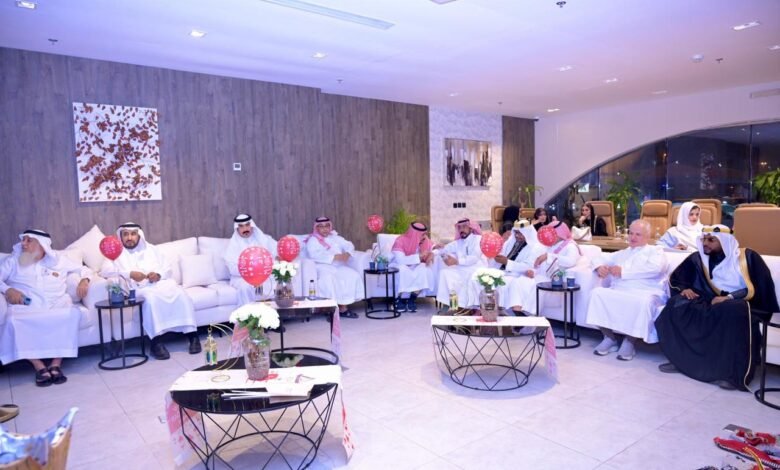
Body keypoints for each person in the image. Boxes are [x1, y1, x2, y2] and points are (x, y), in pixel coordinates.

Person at [655, 225, 778, 390]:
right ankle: (682, 361)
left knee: (731, 310)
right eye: (704, 239)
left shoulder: (748, 257)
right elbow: (678, 279)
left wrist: (729, 298)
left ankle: (730, 375)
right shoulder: (698, 258)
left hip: (742, 303)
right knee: (677, 304)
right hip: (707, 300)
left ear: (725, 241)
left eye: (711, 240)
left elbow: (760, 287)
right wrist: (685, 289)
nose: (706, 243)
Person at [0, 230, 92, 386]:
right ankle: (39, 366)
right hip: (26, 306)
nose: (23, 243)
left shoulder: (59, 260)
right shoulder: (14, 261)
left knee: (72, 314)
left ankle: (56, 364)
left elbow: (84, 269)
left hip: (56, 304)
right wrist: (8, 290)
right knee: (12, 321)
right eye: (23, 240)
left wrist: (84, 281)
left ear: (42, 245)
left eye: (29, 240)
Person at [101, 223, 200, 360]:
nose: (129, 238)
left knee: (181, 294)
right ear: (121, 236)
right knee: (150, 299)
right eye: (126, 234)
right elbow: (105, 271)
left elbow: (167, 268)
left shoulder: (152, 249)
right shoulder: (116, 253)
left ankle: (193, 336)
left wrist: (158, 275)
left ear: (139, 235)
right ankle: (156, 343)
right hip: (138, 288)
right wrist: (130, 273)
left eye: (133, 234)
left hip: (160, 283)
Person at [585, 219, 669, 361]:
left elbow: (656, 269)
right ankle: (609, 338)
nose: (632, 237)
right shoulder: (623, 253)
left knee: (641, 302)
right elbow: (598, 258)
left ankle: (629, 341)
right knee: (596, 294)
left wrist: (623, 271)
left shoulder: (655, 251)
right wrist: (598, 267)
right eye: (631, 233)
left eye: (638, 234)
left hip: (646, 290)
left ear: (647, 236)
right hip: (621, 289)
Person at [475, 219, 547, 314]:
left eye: (520, 233)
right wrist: (495, 258)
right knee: (481, 277)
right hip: (504, 272)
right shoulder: (510, 242)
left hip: (518, 275)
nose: (517, 236)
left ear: (527, 233)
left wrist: (507, 262)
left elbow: (528, 266)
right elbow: (500, 256)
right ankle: (482, 309)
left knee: (502, 282)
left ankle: (505, 312)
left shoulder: (536, 247)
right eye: (516, 233)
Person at [305, 217, 363, 318]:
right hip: (322, 266)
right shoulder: (312, 240)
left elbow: (349, 245)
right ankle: (331, 311)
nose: (324, 229)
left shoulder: (335, 237)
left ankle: (343, 309)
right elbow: (314, 255)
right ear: (317, 228)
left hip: (338, 265)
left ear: (330, 227)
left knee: (352, 275)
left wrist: (347, 253)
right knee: (329, 279)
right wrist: (335, 257)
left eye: (327, 226)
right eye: (321, 227)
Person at [224, 214, 279, 305]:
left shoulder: (263, 239)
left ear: (252, 225)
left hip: (264, 276)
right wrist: (251, 272)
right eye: (241, 226)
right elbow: (232, 269)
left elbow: (276, 252)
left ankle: (271, 312)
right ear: (237, 229)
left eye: (247, 225)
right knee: (245, 287)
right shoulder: (233, 246)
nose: (245, 229)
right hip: (242, 278)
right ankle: (249, 313)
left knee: (278, 281)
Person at [435, 218, 485, 309]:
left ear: (471, 228)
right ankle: (451, 304)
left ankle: (467, 306)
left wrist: (457, 261)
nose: (461, 230)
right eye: (459, 227)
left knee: (467, 279)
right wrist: (437, 250)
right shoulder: (458, 243)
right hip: (462, 268)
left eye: (464, 227)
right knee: (445, 273)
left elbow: (474, 258)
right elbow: (445, 249)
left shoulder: (478, 239)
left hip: (476, 268)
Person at [390, 222, 435, 312]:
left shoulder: (424, 240)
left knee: (424, 269)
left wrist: (435, 251)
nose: (424, 236)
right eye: (422, 234)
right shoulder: (400, 240)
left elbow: (433, 247)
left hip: (414, 265)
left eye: (425, 234)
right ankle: (399, 299)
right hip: (400, 265)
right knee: (403, 270)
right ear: (416, 234)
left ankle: (412, 298)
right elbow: (400, 260)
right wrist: (419, 256)